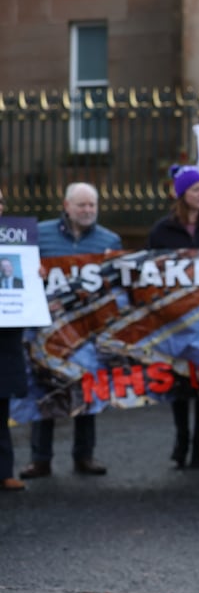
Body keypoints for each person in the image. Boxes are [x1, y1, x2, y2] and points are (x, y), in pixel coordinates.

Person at [19, 183, 121, 480]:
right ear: (66, 205)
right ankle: (40, 459)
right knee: (45, 390)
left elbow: (116, 282)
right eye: (82, 205)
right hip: (46, 327)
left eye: (92, 205)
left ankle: (84, 455)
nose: (88, 211)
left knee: (87, 390)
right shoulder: (39, 234)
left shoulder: (109, 240)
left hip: (87, 330)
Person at [147, 164, 199, 469]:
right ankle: (182, 438)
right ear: (182, 194)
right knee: (179, 380)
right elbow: (150, 271)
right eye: (195, 189)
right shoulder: (162, 230)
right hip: (175, 317)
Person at [0, 188, 27, 492]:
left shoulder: (14, 237)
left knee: (1, 407)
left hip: (5, 337)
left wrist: (36, 276)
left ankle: (4, 470)